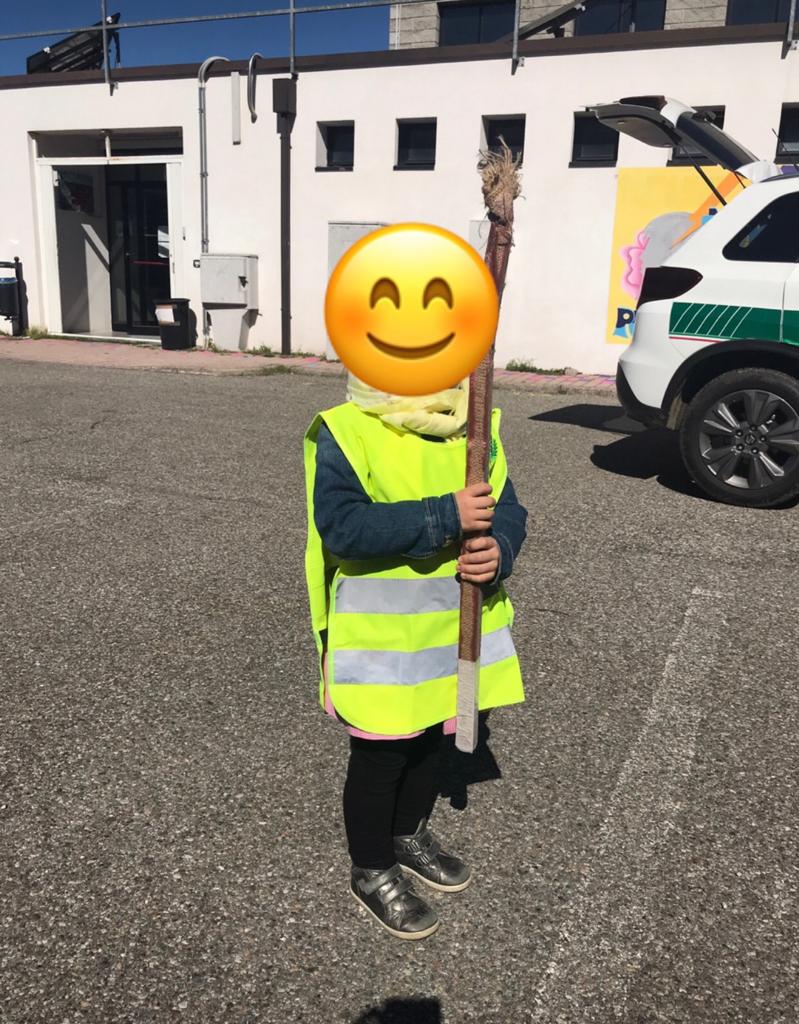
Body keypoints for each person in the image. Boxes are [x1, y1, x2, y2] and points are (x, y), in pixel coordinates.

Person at [303, 373, 527, 940]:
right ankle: (371, 867)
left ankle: (407, 833)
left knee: (434, 741)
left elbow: (508, 508)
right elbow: (343, 527)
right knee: (381, 759)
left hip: (451, 635)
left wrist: (498, 549)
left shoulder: (475, 428)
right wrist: (446, 516)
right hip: (383, 642)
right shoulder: (348, 430)